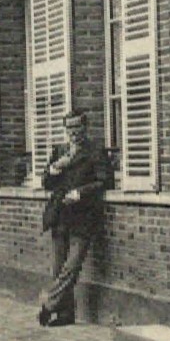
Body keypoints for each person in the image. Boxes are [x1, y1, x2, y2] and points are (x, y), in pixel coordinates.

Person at [38, 110, 112, 326]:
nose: (74, 133)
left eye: (77, 128)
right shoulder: (60, 151)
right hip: (60, 215)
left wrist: (81, 193)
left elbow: (104, 181)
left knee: (72, 266)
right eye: (69, 128)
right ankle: (64, 314)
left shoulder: (96, 151)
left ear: (85, 128)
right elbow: (46, 183)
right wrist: (54, 168)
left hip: (83, 216)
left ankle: (48, 302)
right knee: (58, 267)